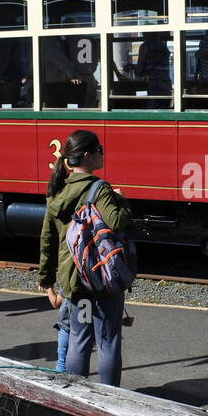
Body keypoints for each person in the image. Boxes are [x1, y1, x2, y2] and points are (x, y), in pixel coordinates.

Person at [38, 129, 131, 387]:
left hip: (74, 280)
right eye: (99, 150)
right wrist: (122, 201)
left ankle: (78, 396)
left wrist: (46, 278)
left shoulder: (56, 190)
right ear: (88, 156)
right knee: (107, 340)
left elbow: (47, 239)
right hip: (101, 278)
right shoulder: (98, 188)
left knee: (79, 340)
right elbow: (116, 222)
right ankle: (110, 399)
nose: (103, 154)